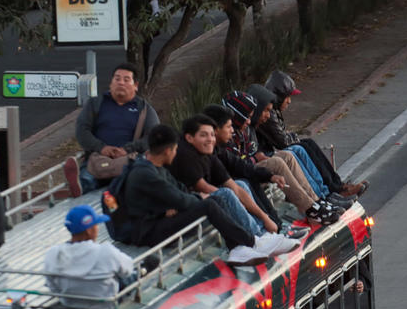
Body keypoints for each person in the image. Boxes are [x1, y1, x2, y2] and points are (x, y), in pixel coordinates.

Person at [122, 125, 298, 264]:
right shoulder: (145, 174)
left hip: (157, 220)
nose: (176, 153)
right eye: (175, 149)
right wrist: (199, 198)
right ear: (168, 150)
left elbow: (178, 190)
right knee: (209, 203)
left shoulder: (155, 168)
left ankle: (240, 247)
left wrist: (180, 203)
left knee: (216, 197)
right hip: (148, 231)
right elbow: (180, 199)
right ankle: (253, 242)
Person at [210, 98, 343, 226]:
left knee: (289, 155)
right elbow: (238, 166)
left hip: (250, 167)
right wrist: (256, 160)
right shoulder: (221, 145)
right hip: (240, 176)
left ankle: (317, 200)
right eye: (228, 126)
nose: (249, 121)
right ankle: (309, 209)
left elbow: (241, 160)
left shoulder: (241, 133)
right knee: (272, 166)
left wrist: (266, 171)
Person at [259, 71, 368, 198]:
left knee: (307, 143)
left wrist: (291, 136)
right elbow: (283, 141)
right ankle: (325, 192)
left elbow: (283, 136)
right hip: (268, 154)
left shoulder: (273, 111)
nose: (289, 101)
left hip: (273, 151)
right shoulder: (270, 113)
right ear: (278, 96)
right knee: (299, 149)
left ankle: (337, 185)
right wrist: (292, 136)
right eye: (287, 97)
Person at [170, 114, 281, 240]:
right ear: (189, 138)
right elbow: (203, 187)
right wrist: (237, 201)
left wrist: (265, 218)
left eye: (212, 135)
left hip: (203, 203)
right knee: (226, 194)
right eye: (203, 135)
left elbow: (235, 186)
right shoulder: (185, 154)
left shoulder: (209, 152)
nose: (210, 139)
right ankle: (257, 238)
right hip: (181, 212)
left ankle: (264, 231)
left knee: (240, 184)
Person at [244, 84, 353, 210]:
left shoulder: (252, 126)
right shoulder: (249, 126)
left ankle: (326, 194)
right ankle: (313, 205)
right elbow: (282, 141)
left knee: (302, 146)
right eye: (266, 110)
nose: (268, 115)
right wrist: (255, 158)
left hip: (261, 159)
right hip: (253, 165)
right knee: (292, 152)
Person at [65, 63, 160, 196]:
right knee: (87, 179)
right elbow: (82, 131)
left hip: (129, 160)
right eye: (117, 79)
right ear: (111, 83)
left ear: (136, 86)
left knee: (135, 180)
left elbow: (153, 136)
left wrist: (127, 149)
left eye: (126, 80)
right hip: (98, 158)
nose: (121, 83)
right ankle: (79, 187)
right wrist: (102, 148)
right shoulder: (96, 104)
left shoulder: (144, 109)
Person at [44, 205, 138, 309]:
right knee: (130, 275)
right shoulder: (105, 252)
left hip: (69, 303)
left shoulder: (53, 254)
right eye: (96, 225)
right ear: (89, 230)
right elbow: (128, 269)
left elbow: (52, 286)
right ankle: (145, 269)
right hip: (106, 304)